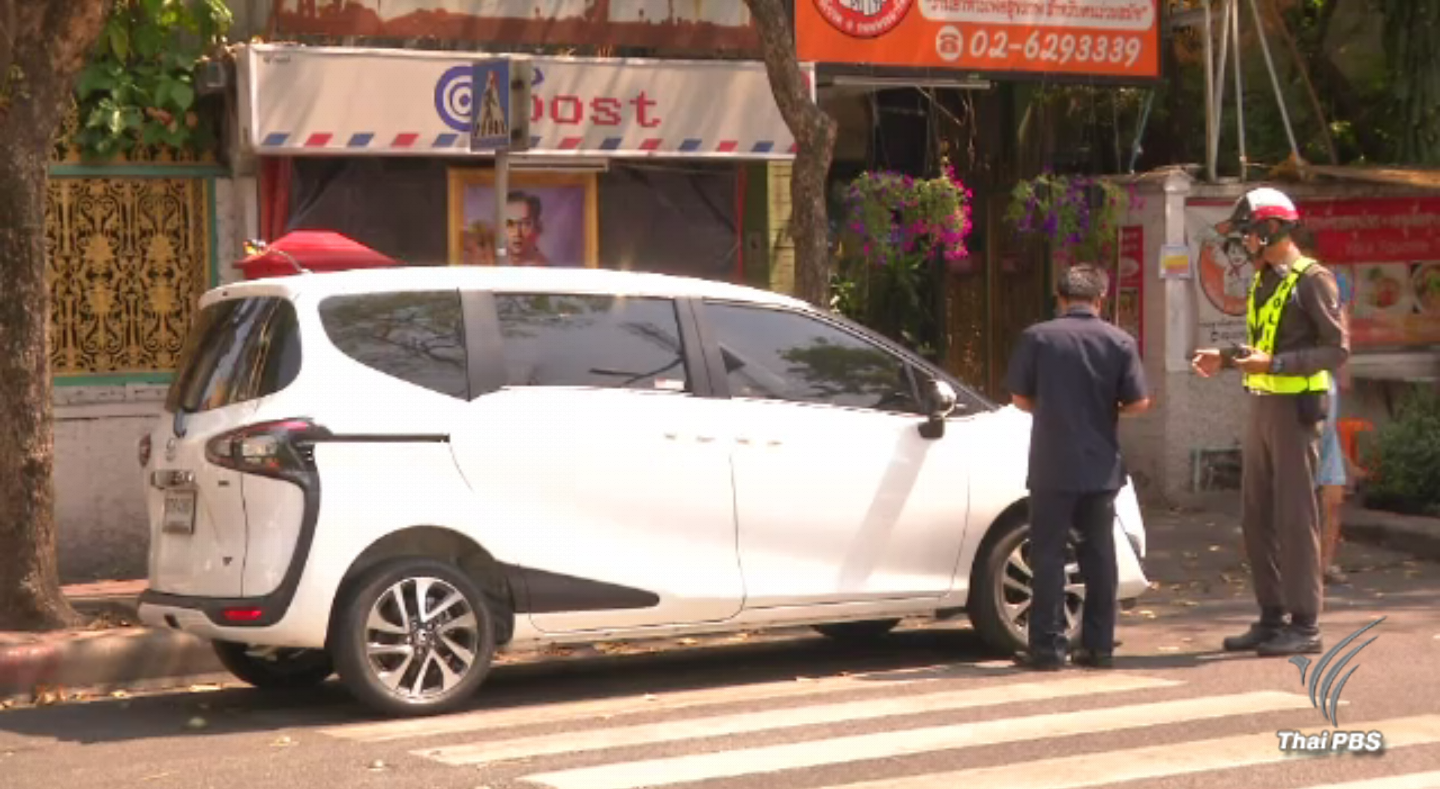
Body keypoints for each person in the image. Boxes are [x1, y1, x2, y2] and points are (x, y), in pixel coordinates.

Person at [1191, 187, 1349, 657]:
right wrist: (1224, 357)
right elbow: (1261, 344)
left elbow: (1335, 349)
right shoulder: (1267, 279)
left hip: (1296, 412)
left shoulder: (1312, 279)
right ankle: (1272, 616)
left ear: (1271, 229)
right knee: (1256, 517)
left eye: (1249, 234)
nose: (1244, 244)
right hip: (1261, 406)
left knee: (1295, 518)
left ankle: (1305, 624)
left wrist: (1276, 366)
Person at [1006, 263, 1151, 671]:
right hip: (1100, 464)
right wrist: (1108, 408)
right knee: (1099, 555)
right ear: (1100, 299)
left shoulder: (1037, 337)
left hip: (1052, 462)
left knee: (1049, 555)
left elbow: (1019, 397)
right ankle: (1099, 645)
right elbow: (1140, 402)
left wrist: (1051, 409)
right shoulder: (1120, 341)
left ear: (1061, 297)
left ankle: (1047, 649)